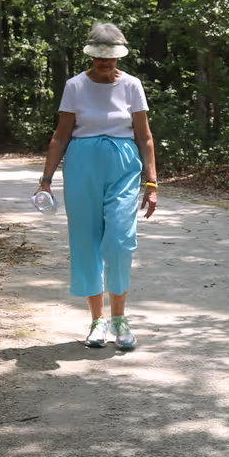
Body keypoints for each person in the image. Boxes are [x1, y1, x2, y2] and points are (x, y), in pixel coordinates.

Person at [37, 22, 159, 349]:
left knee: (119, 240)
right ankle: (97, 321)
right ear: (91, 55)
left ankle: (120, 319)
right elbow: (60, 135)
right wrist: (45, 181)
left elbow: (144, 136)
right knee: (85, 240)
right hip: (81, 165)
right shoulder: (75, 86)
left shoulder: (132, 85)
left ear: (119, 57)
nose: (106, 63)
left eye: (112, 57)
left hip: (123, 164)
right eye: (100, 57)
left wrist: (152, 182)